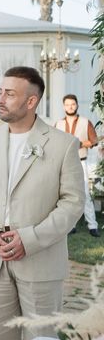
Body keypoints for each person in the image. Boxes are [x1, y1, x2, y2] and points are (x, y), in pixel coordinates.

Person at [0, 66, 85, 340]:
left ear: (31, 102)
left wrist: (29, 239)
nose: (0, 99)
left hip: (40, 262)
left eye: (10, 94)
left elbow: (73, 202)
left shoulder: (63, 145)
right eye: (1, 92)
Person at [55, 94, 101, 237]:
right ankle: (70, 226)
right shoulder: (58, 124)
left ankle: (92, 226)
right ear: (64, 106)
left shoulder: (85, 122)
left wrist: (79, 144)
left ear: (77, 105)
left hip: (81, 162)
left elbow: (94, 141)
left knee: (85, 194)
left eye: (73, 104)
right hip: (64, 164)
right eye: (68, 104)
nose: (70, 106)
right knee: (66, 195)